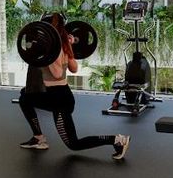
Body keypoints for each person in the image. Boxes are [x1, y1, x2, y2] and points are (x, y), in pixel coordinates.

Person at [18, 13, 130, 160]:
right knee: (25, 97)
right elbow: (74, 68)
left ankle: (118, 140)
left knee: (74, 144)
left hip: (58, 100)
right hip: (61, 95)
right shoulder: (64, 45)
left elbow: (57, 74)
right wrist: (66, 48)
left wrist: (47, 55)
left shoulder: (54, 49)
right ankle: (38, 138)